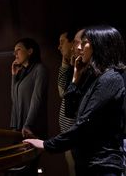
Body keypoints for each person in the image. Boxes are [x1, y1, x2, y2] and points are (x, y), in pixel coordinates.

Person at [23, 25, 126, 176]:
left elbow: (85, 123)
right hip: (87, 161)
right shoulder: (94, 77)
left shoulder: (111, 78)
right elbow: (70, 110)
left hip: (101, 164)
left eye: (84, 42)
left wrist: (47, 145)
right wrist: (76, 78)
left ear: (99, 46)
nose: (78, 48)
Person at [8, 37, 48, 176]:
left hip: (31, 129)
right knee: (17, 170)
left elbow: (37, 99)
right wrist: (14, 77)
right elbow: (15, 100)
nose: (15, 54)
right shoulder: (22, 73)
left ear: (30, 51)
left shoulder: (39, 69)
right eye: (14, 51)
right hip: (20, 128)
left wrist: (28, 125)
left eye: (18, 49)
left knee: (28, 171)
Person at [57, 28, 78, 176]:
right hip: (69, 137)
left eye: (62, 42)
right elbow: (62, 91)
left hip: (77, 139)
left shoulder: (81, 67)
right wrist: (65, 62)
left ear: (73, 43)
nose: (59, 47)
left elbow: (62, 92)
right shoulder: (71, 66)